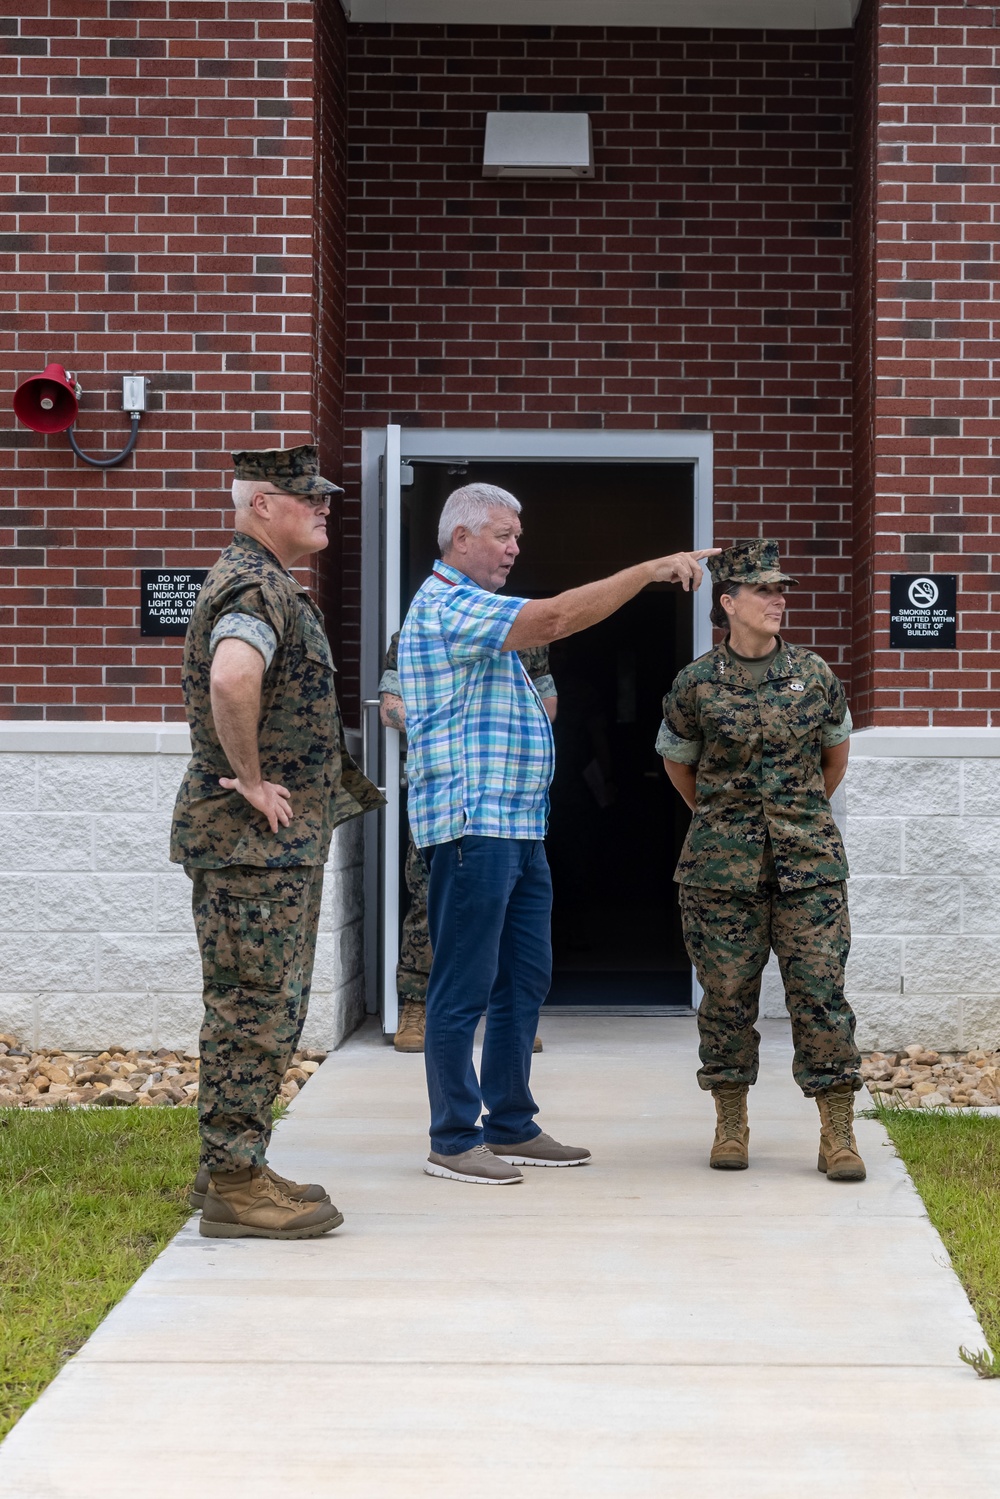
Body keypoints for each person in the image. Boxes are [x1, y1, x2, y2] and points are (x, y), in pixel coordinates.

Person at [398, 481, 717, 1185]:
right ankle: (453, 1136)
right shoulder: (450, 604)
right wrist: (646, 571)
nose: (516, 547)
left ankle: (509, 1122)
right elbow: (558, 617)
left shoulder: (476, 608)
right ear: (461, 538)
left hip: (515, 826)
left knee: (525, 977)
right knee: (463, 985)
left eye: (517, 535)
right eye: (504, 535)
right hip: (472, 826)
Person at [170, 444, 384, 1239]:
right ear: (263, 505)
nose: (324, 507)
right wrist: (253, 779)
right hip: (250, 845)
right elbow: (232, 678)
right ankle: (234, 1182)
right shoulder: (255, 585)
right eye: (307, 498)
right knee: (256, 1006)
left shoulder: (266, 582)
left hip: (265, 849)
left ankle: (230, 1162)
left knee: (259, 1001)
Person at [657, 539, 865, 1182]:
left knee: (820, 995)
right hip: (721, 872)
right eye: (764, 591)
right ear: (728, 602)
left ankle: (837, 1134)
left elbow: (835, 758)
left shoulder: (815, 674)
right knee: (725, 996)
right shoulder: (695, 683)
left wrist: (794, 816)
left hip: (810, 870)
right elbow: (677, 763)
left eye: (782, 591)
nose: (778, 600)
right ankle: (730, 1121)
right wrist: (727, 821)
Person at [378, 631, 556, 1054]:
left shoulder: (525, 635)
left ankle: (507, 1017)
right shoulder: (417, 634)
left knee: (505, 908)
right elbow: (390, 708)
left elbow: (546, 705)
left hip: (504, 796)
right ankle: (416, 1004)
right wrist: (457, 728)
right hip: (442, 795)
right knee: (430, 899)